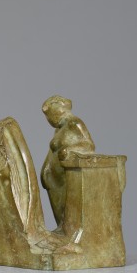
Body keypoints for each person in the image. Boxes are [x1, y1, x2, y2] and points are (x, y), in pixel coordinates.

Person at [41, 95, 95, 226]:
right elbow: (52, 151)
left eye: (49, 116)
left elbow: (89, 146)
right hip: (54, 180)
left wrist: (70, 149)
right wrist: (45, 171)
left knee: (70, 214)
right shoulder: (58, 130)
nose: (48, 120)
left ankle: (68, 228)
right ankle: (63, 228)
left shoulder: (75, 123)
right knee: (61, 218)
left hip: (68, 177)